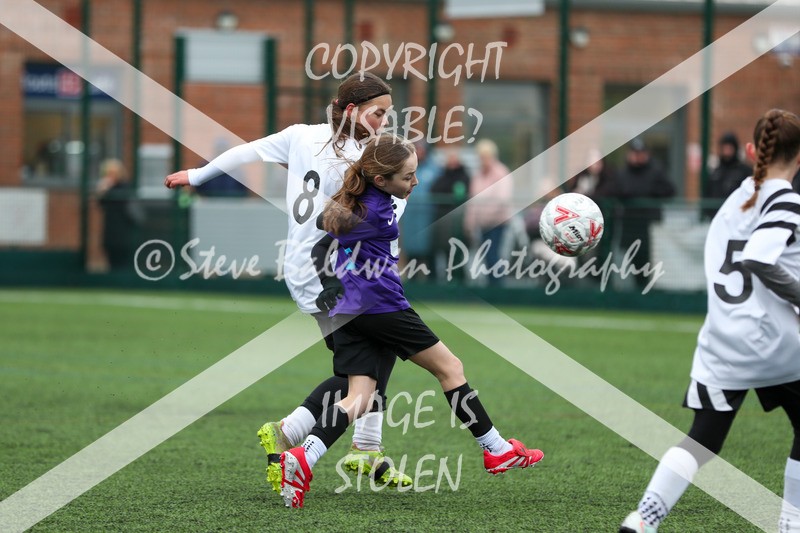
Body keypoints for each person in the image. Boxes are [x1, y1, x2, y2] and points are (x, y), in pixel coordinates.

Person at [164, 72, 412, 491]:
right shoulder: (368, 155)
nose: (385, 121)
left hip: (316, 266)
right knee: (363, 367)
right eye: (378, 113)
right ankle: (291, 432)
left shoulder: (302, 135)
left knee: (377, 351)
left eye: (388, 114)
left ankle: (367, 449)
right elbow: (387, 211)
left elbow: (247, 151)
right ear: (352, 110)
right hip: (330, 272)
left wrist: (198, 174)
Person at [279, 133, 544, 509]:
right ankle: (496, 449)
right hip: (382, 307)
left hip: (348, 311)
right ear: (381, 179)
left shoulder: (365, 201)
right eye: (407, 176)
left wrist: (330, 281)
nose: (415, 182)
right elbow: (331, 229)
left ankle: (302, 457)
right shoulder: (377, 210)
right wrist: (332, 272)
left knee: (358, 397)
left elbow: (323, 239)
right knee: (451, 368)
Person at [620, 109, 800, 533]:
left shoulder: (734, 199)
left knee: (702, 440)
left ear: (753, 151)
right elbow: (759, 257)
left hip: (723, 341)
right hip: (776, 342)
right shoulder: (785, 198)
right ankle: (791, 524)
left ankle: (642, 520)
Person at [614, 137, 675, 289]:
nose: (638, 156)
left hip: (649, 227)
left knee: (650, 261)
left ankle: (648, 291)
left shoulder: (655, 171)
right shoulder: (623, 173)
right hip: (630, 226)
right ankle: (637, 291)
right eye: (635, 152)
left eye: (640, 152)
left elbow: (670, 191)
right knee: (633, 262)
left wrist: (650, 193)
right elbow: (615, 192)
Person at [463, 138, 513, 286]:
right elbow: (473, 201)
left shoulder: (501, 172)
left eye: (485, 156)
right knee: (486, 257)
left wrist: (486, 217)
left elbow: (502, 200)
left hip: (498, 223)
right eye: (481, 156)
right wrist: (470, 223)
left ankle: (498, 288)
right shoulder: (477, 175)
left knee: (494, 257)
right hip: (482, 225)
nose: (483, 160)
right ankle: (492, 287)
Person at [398, 141, 440, 275]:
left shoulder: (435, 169)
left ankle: (432, 281)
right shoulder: (406, 168)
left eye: (422, 150)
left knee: (430, 249)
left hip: (429, 217)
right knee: (411, 248)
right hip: (410, 217)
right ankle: (412, 279)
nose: (420, 153)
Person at [430, 147, 470, 279]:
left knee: (457, 251)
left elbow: (460, 193)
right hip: (442, 220)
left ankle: (459, 279)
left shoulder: (464, 176)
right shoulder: (442, 175)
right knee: (442, 250)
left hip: (458, 221)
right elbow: (435, 189)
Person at [96, 158, 138, 271]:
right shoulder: (107, 189)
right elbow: (101, 204)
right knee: (112, 261)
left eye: (113, 174)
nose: (110, 177)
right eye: (108, 174)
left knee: (123, 262)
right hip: (111, 233)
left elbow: (129, 211)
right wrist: (102, 191)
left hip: (124, 233)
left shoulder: (125, 188)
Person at [703, 132, 752, 218]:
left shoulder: (744, 171)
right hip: (717, 216)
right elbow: (707, 195)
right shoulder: (715, 173)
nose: (727, 151)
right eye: (725, 148)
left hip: (737, 216)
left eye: (730, 148)